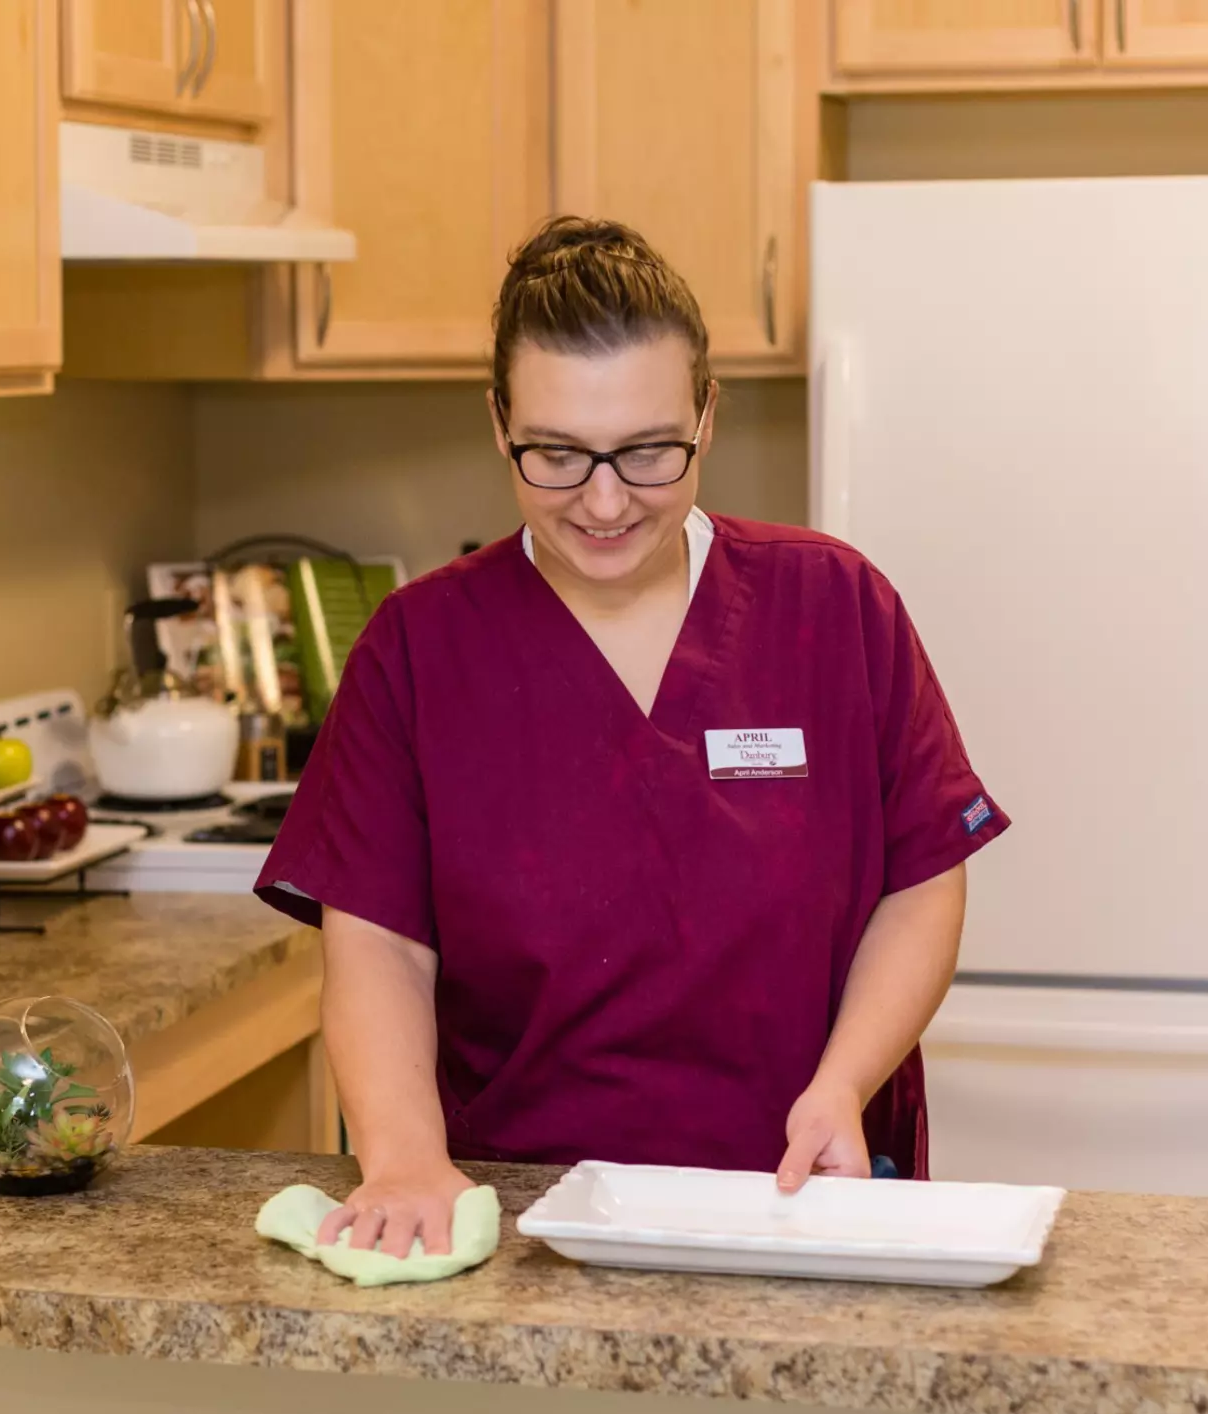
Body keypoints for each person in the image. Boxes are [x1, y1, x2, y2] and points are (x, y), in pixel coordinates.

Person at [255, 217, 1009, 1261]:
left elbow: (922, 880)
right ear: (498, 423)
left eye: (649, 453)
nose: (604, 503)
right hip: (525, 1217)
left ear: (707, 415)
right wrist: (402, 1153)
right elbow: (378, 940)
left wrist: (845, 1083)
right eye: (556, 455)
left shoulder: (832, 606)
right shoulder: (416, 651)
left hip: (798, 1201)